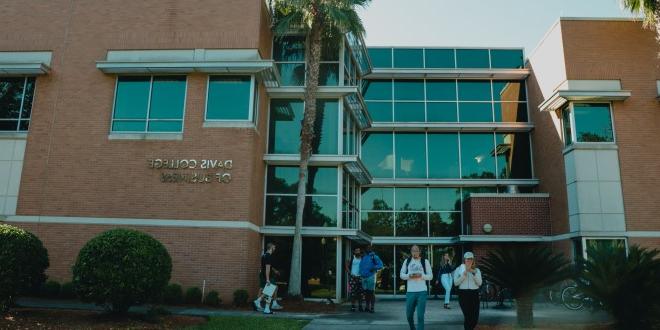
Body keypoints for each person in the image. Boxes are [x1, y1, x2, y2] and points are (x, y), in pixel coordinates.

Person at [400, 245, 433, 330]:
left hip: (422, 292)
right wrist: (409, 276)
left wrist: (422, 276)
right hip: (410, 292)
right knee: (409, 315)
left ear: (419, 252)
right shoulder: (407, 261)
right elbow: (401, 275)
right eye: (413, 251)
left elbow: (430, 276)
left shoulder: (425, 261)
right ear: (411, 252)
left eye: (416, 251)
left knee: (420, 316)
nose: (415, 252)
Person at [453, 251, 482, 330]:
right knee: (468, 316)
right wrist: (463, 275)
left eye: (471, 259)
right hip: (463, 294)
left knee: (475, 318)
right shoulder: (458, 269)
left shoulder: (476, 270)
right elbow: (455, 283)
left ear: (473, 261)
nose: (469, 261)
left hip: (474, 294)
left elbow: (479, 283)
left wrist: (473, 273)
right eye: (467, 259)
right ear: (464, 260)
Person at [253, 242, 283, 314]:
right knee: (269, 292)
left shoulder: (264, 255)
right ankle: (259, 302)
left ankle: (265, 307)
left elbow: (268, 267)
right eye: (274, 247)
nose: (274, 249)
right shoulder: (269, 256)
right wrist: (267, 279)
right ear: (271, 247)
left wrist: (274, 271)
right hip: (268, 277)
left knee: (267, 292)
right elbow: (267, 268)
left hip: (263, 275)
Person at [359, 244, 383, 313]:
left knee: (371, 293)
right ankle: (367, 307)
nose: (368, 249)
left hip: (370, 277)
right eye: (367, 248)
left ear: (372, 249)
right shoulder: (364, 256)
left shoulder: (374, 257)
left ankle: (372, 308)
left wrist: (374, 268)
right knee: (366, 293)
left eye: (370, 248)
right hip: (364, 277)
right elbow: (361, 266)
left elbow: (380, 265)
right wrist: (361, 273)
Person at [344, 246, 364, 312]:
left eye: (358, 250)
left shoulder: (362, 258)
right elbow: (346, 266)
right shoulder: (352, 258)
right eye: (356, 251)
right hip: (353, 277)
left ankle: (360, 306)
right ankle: (353, 307)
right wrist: (350, 274)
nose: (357, 252)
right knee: (353, 293)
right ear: (354, 252)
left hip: (360, 277)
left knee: (360, 293)